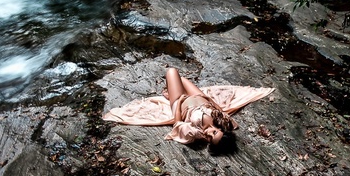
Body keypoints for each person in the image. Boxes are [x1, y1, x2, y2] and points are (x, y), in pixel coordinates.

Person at [102, 67, 275, 153]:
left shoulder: (195, 133)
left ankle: (170, 93)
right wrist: (206, 100)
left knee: (172, 71)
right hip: (200, 97)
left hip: (181, 102)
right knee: (182, 78)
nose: (210, 133)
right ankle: (171, 90)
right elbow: (216, 107)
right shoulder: (223, 122)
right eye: (215, 132)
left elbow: (177, 123)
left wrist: (176, 102)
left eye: (211, 138)